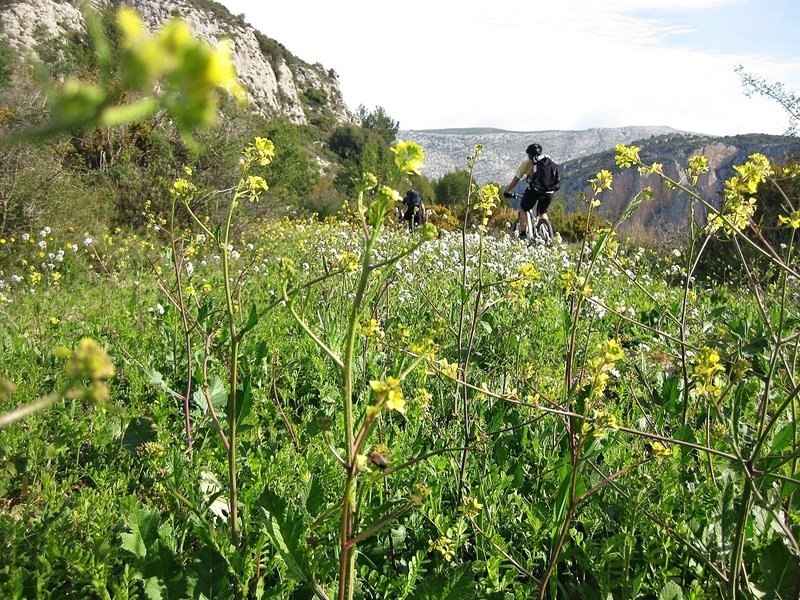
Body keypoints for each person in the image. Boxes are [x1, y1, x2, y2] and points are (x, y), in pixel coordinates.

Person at [504, 143, 553, 240]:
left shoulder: (526, 163)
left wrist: (508, 190)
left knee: (523, 209)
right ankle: (548, 235)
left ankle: (522, 235)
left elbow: (516, 179)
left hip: (534, 190)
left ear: (529, 154)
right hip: (549, 191)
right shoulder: (548, 161)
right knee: (542, 212)